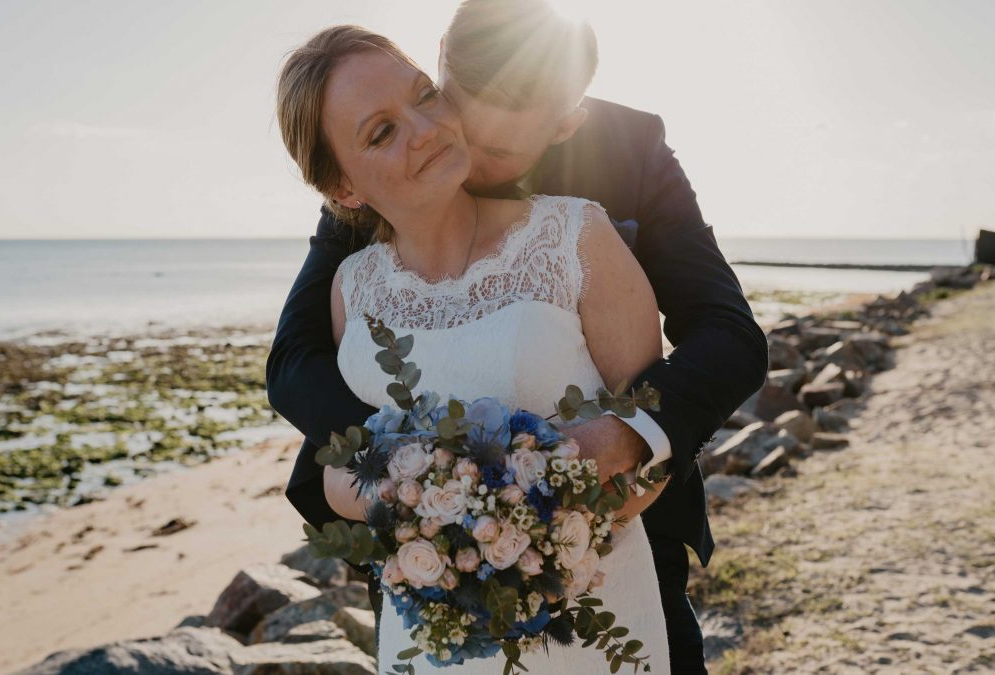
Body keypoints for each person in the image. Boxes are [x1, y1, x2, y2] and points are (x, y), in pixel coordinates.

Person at [268, 2, 768, 671]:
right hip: (435, 577)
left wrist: (627, 436)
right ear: (441, 55)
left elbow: (728, 332)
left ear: (566, 124)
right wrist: (401, 475)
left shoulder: (622, 161)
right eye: (444, 100)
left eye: (495, 149)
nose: (448, 143)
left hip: (614, 556)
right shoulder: (377, 194)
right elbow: (296, 357)